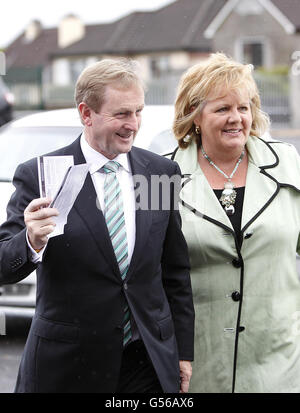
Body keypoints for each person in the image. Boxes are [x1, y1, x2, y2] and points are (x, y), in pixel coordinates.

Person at [0, 59, 194, 393]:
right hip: (68, 367)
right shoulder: (45, 175)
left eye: (137, 112)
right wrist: (30, 240)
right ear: (86, 113)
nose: (132, 124)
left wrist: (183, 353)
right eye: (121, 114)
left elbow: (174, 271)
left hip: (146, 362)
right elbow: (3, 264)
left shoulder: (158, 173)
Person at [170, 52, 300, 393]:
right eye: (222, 109)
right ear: (195, 116)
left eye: (243, 107)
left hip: (277, 362)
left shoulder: (287, 162)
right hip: (194, 364)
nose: (236, 118)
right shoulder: (158, 175)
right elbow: (139, 267)